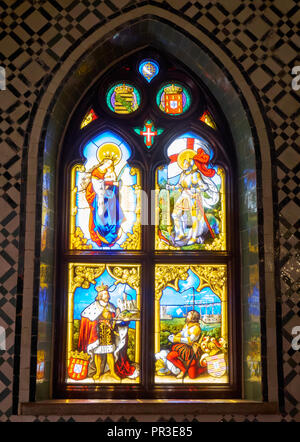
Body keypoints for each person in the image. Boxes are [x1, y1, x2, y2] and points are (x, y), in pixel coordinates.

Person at [170, 148, 219, 246]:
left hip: (193, 197)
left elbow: (204, 186)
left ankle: (194, 237)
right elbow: (180, 185)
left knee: (194, 218)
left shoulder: (195, 175)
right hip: (184, 196)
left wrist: (195, 190)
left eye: (186, 162)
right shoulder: (183, 174)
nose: (184, 164)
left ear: (190, 163)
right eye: (183, 162)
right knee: (175, 214)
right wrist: (172, 187)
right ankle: (180, 234)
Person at [77, 284, 121, 381]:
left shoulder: (111, 306)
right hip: (97, 335)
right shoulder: (94, 306)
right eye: (105, 294)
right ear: (100, 295)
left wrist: (117, 314)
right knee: (97, 354)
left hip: (109, 334)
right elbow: (86, 317)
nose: (108, 296)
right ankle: (98, 372)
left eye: (108, 294)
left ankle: (113, 372)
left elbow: (115, 319)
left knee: (110, 353)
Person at [85, 143, 124, 247]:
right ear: (105, 162)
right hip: (99, 198)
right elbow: (97, 185)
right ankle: (101, 234)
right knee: (100, 216)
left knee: (113, 215)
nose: (110, 166)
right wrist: (111, 183)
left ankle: (111, 234)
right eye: (109, 163)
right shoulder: (96, 172)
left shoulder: (110, 170)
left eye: (111, 164)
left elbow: (114, 181)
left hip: (110, 197)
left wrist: (114, 183)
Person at [166, 310, 206, 379]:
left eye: (188, 315)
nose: (187, 316)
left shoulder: (196, 328)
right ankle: (184, 370)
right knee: (170, 356)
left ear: (193, 317)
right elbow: (181, 333)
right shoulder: (187, 325)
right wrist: (174, 337)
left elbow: (190, 340)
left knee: (192, 376)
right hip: (183, 347)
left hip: (192, 349)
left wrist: (177, 339)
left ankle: (205, 368)